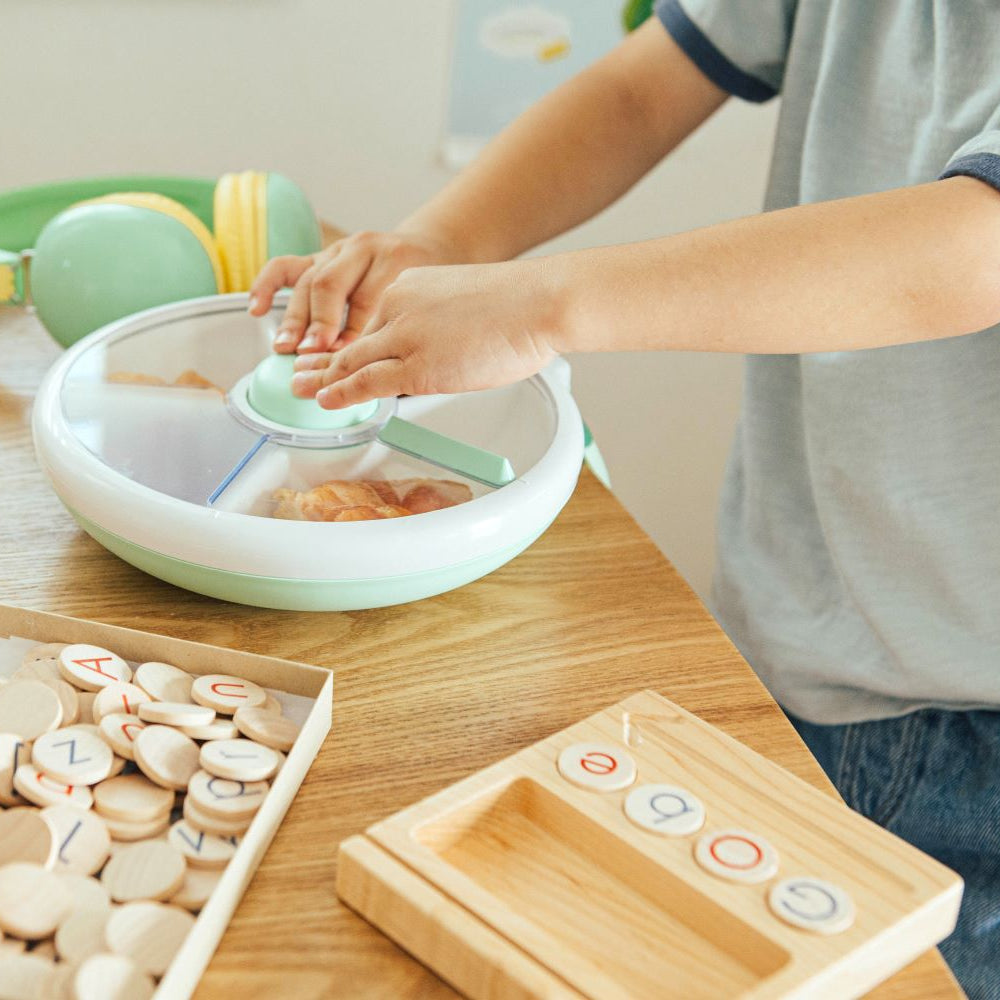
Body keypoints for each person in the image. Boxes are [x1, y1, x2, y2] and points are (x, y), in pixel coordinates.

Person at [250, 4, 1000, 992]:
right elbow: (638, 88)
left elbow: (966, 249)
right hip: (801, 621)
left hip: (962, 711)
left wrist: (544, 304)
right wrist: (443, 237)